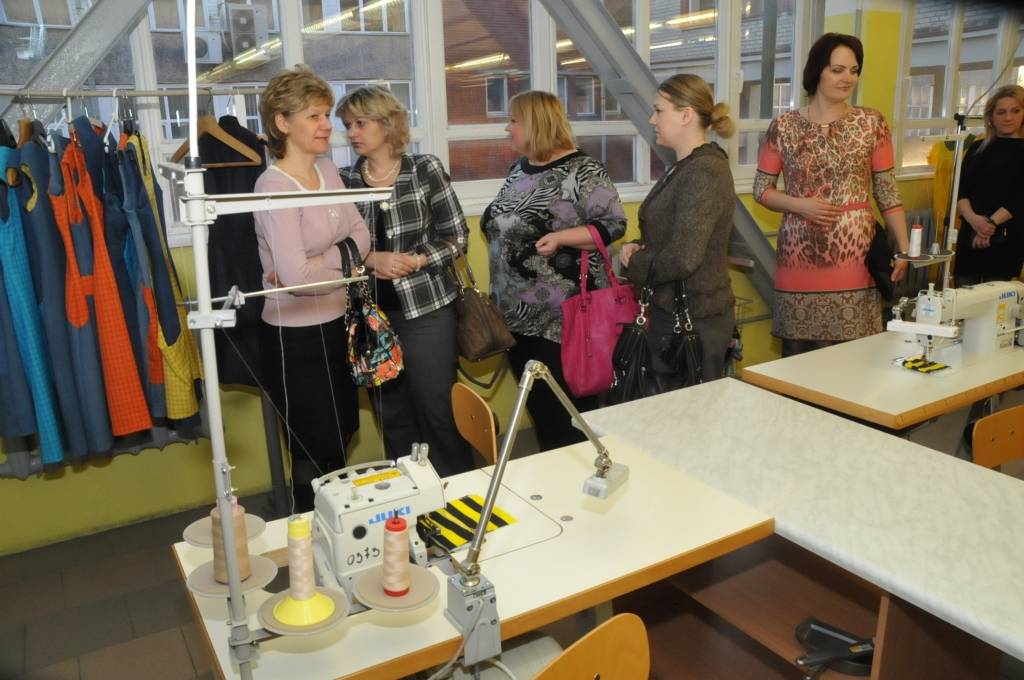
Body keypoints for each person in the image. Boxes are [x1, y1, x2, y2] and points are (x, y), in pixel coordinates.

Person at [336, 85, 473, 477]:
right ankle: (412, 492)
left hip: (427, 312)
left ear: (387, 123)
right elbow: (337, 245)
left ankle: (458, 488)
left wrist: (418, 259)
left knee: (438, 410)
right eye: (348, 125)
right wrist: (369, 259)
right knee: (392, 415)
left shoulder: (423, 169)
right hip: (370, 318)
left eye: (360, 123)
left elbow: (457, 237)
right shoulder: (344, 180)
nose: (352, 132)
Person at [483, 90, 627, 451]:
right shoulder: (519, 169)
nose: (507, 128)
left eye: (513, 121)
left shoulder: (583, 170)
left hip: (561, 321)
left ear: (535, 123)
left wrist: (562, 237)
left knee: (567, 417)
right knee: (541, 412)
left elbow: (614, 225)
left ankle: (583, 475)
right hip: (516, 317)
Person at [254, 66, 371, 512]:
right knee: (310, 450)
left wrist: (315, 263)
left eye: (326, 114)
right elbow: (299, 284)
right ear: (282, 123)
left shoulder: (327, 170)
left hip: (338, 325)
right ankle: (307, 531)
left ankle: (338, 529)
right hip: (294, 338)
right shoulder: (272, 185)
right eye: (314, 116)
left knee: (340, 436)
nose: (326, 125)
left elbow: (362, 237)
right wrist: (337, 263)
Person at [753, 33, 909, 357]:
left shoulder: (872, 123)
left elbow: (887, 192)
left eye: (854, 70)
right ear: (817, 72)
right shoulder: (783, 127)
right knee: (797, 361)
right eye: (837, 70)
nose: (847, 78)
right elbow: (761, 190)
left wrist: (905, 250)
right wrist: (800, 205)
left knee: (853, 360)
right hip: (797, 259)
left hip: (855, 260)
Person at [619, 74, 737, 381]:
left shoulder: (704, 171)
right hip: (676, 315)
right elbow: (672, 232)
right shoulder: (687, 166)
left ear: (686, 115)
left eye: (659, 110)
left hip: (695, 320)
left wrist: (636, 262)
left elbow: (685, 257)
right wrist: (640, 245)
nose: (652, 119)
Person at [954, 84, 1024, 286]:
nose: (1008, 117)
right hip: (971, 232)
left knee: (996, 298)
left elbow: (1019, 198)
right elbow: (961, 191)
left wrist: (989, 226)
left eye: (1015, 111)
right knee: (964, 296)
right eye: (1001, 112)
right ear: (991, 117)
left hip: (1007, 236)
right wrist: (974, 221)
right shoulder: (977, 148)